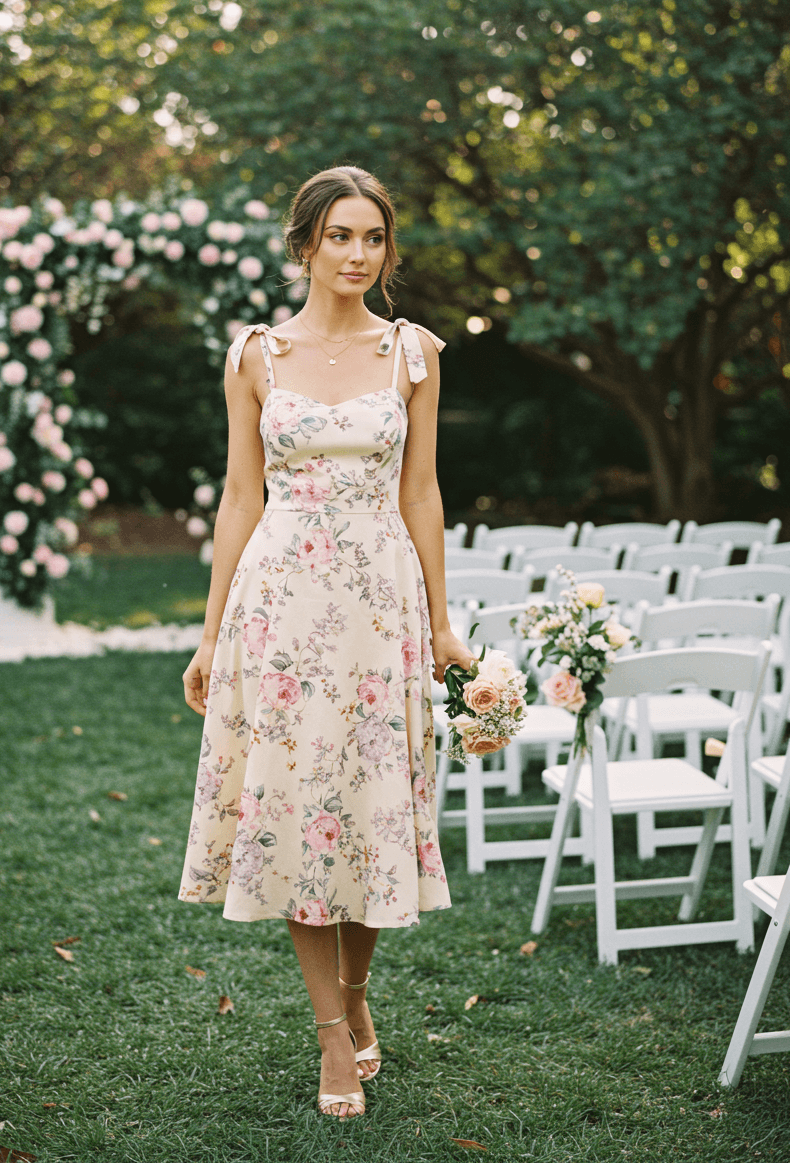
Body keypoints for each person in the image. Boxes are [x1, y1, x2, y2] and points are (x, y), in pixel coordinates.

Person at [179, 165, 473, 1118]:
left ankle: (354, 989)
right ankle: (332, 1036)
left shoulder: (413, 353)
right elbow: (238, 496)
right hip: (283, 608)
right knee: (306, 808)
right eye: (339, 236)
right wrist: (210, 631)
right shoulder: (256, 356)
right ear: (304, 243)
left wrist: (441, 620)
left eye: (373, 238)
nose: (357, 254)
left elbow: (422, 493)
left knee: (374, 805)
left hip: (379, 606)